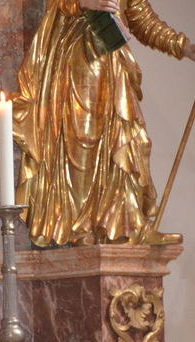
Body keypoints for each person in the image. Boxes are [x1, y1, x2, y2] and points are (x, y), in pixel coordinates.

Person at [12, 0, 195, 247]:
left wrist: (183, 47)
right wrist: (80, 3)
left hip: (113, 65)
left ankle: (129, 227)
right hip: (77, 62)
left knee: (132, 144)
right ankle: (79, 227)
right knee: (82, 142)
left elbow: (141, 18)